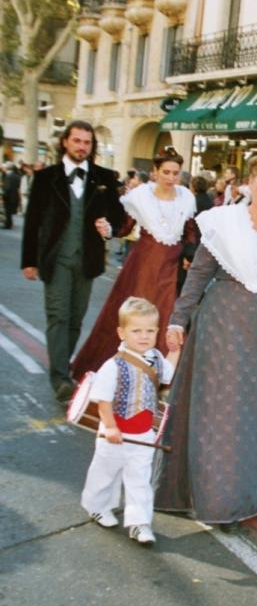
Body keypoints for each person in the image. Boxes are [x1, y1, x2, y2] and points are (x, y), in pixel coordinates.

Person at [154, 154, 257, 532]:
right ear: (250, 181)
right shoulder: (223, 222)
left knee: (250, 415)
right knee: (216, 412)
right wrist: (178, 318)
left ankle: (240, 496)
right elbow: (200, 275)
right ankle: (210, 498)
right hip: (220, 325)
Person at [21, 120, 126, 402]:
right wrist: (28, 260)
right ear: (65, 142)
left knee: (76, 319)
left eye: (87, 142)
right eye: (77, 140)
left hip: (88, 260)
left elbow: (118, 216)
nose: (82, 146)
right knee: (58, 315)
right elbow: (33, 222)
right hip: (56, 258)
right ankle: (60, 378)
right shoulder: (46, 178)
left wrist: (111, 228)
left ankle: (62, 366)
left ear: (92, 147)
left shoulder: (104, 178)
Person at [71, 147, 196, 382]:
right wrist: (108, 230)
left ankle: (162, 378)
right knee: (136, 318)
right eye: (166, 172)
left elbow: (190, 234)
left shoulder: (186, 198)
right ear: (155, 172)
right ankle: (126, 376)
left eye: (175, 173)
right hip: (143, 266)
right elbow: (125, 228)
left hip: (171, 269)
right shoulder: (140, 196)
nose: (171, 178)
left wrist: (190, 254)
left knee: (168, 319)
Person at [81, 297, 180, 545]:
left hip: (143, 435)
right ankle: (97, 506)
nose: (144, 336)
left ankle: (139, 523)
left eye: (150, 331)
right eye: (136, 331)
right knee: (105, 474)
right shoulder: (113, 366)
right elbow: (103, 400)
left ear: (157, 331)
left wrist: (175, 351)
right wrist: (111, 426)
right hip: (114, 435)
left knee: (140, 480)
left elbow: (167, 373)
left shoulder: (156, 358)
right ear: (121, 332)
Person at [2, 162, 21, 229]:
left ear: (6, 168)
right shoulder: (17, 176)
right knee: (9, 212)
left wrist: (4, 196)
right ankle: (9, 223)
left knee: (7, 211)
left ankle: (8, 224)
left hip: (8, 197)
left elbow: (8, 188)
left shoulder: (8, 176)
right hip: (14, 196)